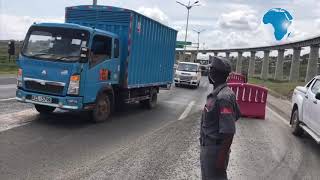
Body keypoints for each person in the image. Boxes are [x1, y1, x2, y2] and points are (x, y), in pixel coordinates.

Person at [200, 56, 241, 180]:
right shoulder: (220, 93)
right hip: (209, 147)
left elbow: (229, 131)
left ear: (214, 73)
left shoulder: (223, 97)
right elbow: (238, 114)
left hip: (215, 151)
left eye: (210, 70)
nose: (209, 73)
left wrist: (221, 158)